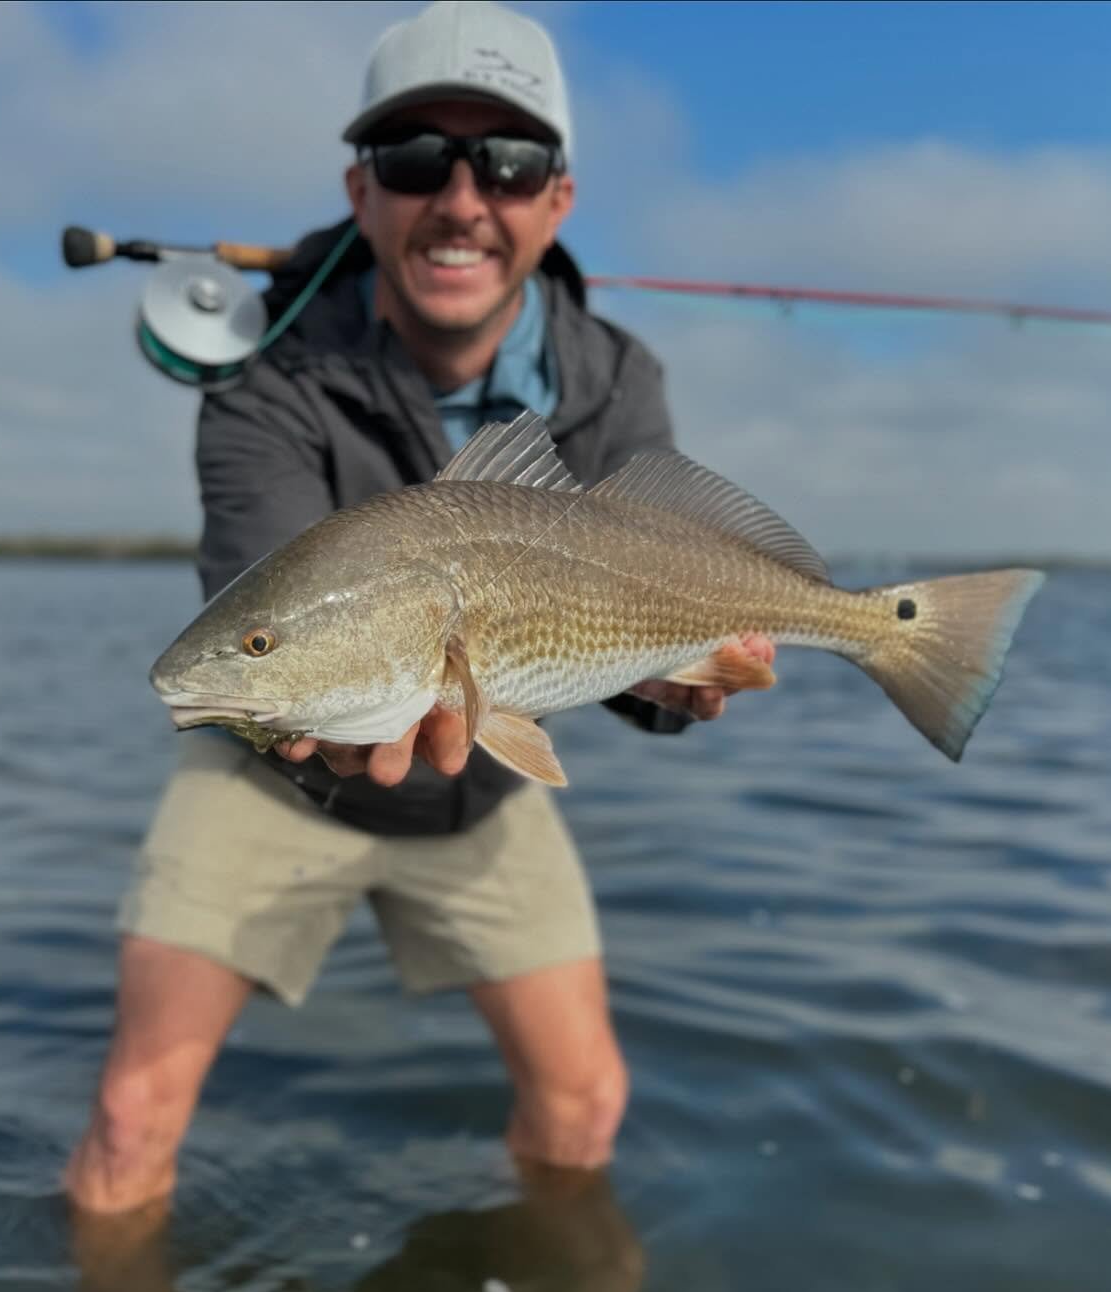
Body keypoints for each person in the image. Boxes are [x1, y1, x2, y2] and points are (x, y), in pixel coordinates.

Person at [65, 0, 773, 1215]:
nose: (460, 199)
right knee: (131, 1119)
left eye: (507, 162)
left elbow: (644, 621)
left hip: (489, 782)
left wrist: (676, 682)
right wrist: (318, 698)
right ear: (361, 190)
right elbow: (271, 593)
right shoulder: (264, 374)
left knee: (587, 1100)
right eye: (414, 160)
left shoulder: (618, 381)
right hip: (274, 776)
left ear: (556, 199)